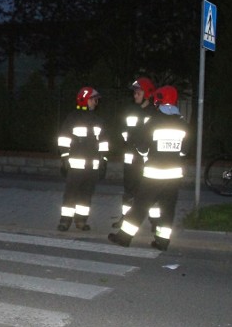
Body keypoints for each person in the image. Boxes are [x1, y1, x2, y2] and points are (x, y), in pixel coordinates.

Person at [108, 85, 188, 251]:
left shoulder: (154, 121)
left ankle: (124, 237)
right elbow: (184, 150)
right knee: (167, 208)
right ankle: (162, 241)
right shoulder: (182, 123)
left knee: (140, 205)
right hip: (174, 175)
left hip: (155, 173)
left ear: (159, 99)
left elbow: (142, 147)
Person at [57, 87, 109, 232]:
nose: (96, 102)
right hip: (75, 166)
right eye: (94, 99)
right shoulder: (73, 118)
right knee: (70, 195)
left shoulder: (98, 120)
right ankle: (65, 222)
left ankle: (81, 221)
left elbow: (103, 142)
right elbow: (63, 139)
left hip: (92, 167)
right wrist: (65, 157)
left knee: (86, 196)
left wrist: (103, 160)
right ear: (85, 100)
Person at [113, 77, 160, 231]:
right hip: (131, 160)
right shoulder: (130, 111)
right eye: (134, 93)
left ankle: (155, 222)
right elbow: (123, 132)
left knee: (151, 193)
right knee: (128, 193)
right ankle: (125, 218)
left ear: (147, 94)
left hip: (148, 162)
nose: (135, 96)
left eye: (138, 93)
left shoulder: (155, 113)